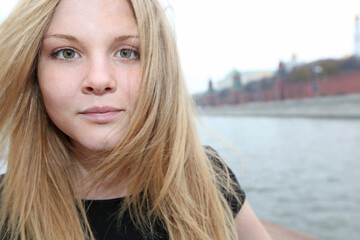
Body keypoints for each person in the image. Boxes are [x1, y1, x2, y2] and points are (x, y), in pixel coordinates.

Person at [0, 0, 272, 239]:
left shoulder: (208, 177)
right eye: (67, 53)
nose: (99, 79)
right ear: (32, 72)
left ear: (159, 69)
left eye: (126, 52)